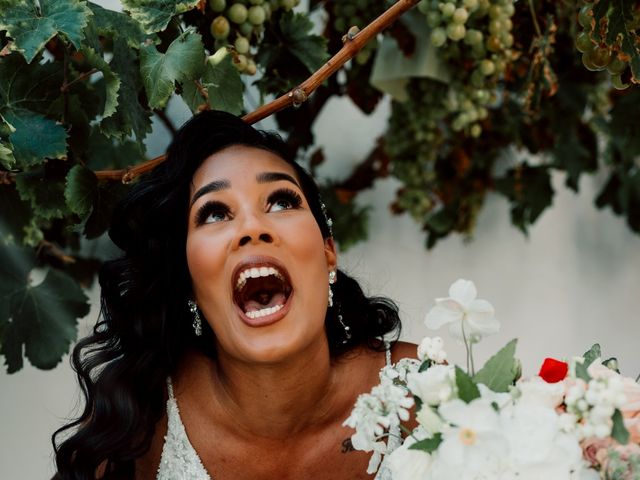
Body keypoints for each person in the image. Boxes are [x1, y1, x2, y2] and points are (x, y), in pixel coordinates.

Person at [53, 110, 415, 479]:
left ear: (327, 254)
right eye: (213, 213)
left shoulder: (420, 388)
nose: (252, 228)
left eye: (281, 201)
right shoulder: (135, 425)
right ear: (189, 278)